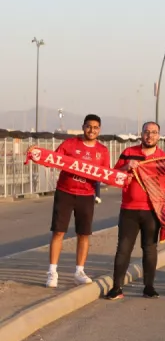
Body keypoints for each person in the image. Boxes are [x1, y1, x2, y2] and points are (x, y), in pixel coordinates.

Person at [45, 114, 110, 288]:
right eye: (89, 126)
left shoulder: (102, 150)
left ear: (99, 130)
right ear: (83, 127)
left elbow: (107, 174)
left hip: (86, 195)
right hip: (65, 192)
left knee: (84, 234)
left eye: (96, 127)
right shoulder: (70, 144)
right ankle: (52, 272)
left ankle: (79, 271)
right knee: (58, 232)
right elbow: (52, 160)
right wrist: (39, 155)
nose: (92, 130)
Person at [106, 122, 165, 300]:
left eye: (154, 132)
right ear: (141, 134)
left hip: (151, 211)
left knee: (149, 248)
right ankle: (117, 287)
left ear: (159, 136)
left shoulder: (163, 158)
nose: (150, 135)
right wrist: (126, 168)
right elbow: (112, 177)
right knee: (124, 249)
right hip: (129, 210)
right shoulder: (128, 153)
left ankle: (149, 287)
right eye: (147, 132)